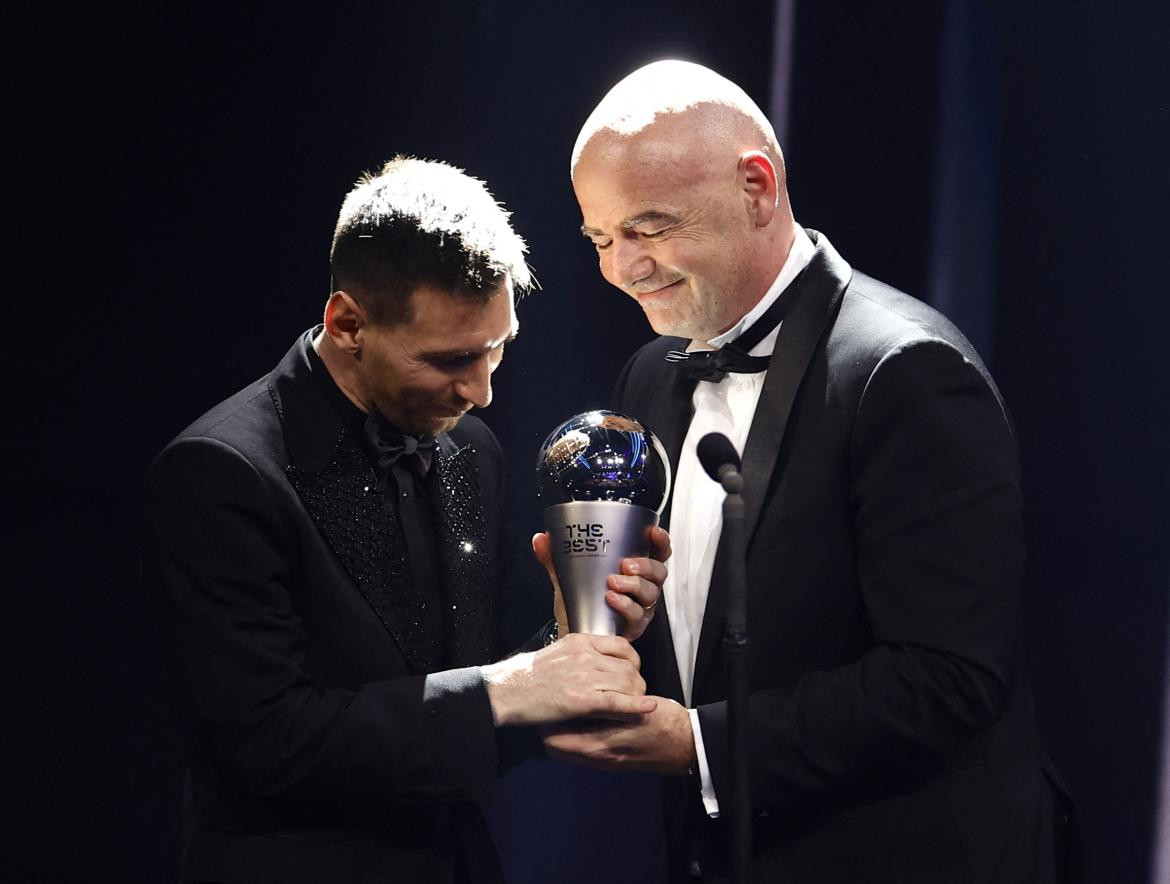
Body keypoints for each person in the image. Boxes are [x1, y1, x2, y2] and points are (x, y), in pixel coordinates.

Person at [545, 61, 1078, 882]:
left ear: (757, 185)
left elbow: (950, 678)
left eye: (649, 227)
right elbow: (704, 643)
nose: (623, 268)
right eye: (600, 239)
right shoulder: (650, 375)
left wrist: (699, 745)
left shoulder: (907, 372)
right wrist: (596, 633)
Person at [143, 156, 668, 884]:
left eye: (499, 348)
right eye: (451, 359)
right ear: (349, 322)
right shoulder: (220, 472)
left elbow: (474, 712)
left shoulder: (468, 452)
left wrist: (573, 637)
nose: (482, 391)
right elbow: (264, 743)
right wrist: (508, 689)